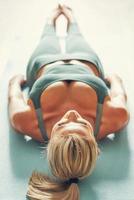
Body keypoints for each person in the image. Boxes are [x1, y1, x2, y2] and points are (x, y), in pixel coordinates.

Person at [8, 4, 129, 200]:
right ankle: (70, 17)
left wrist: (16, 82)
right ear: (96, 147)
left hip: (44, 61)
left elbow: (13, 90)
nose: (72, 115)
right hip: (85, 59)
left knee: (47, 35)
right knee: (76, 34)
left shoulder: (24, 121)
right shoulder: (116, 117)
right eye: (83, 124)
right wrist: (113, 80)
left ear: (48, 146)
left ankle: (51, 18)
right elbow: (118, 84)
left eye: (61, 125)